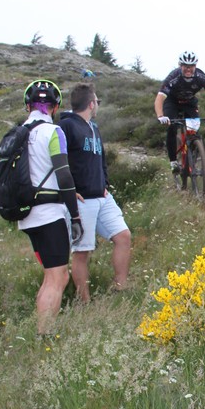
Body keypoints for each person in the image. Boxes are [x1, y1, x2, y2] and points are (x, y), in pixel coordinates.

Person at [17, 80, 84, 335]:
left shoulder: (19, 133)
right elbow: (64, 176)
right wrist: (75, 216)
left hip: (27, 215)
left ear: (28, 106)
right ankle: (44, 336)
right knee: (58, 277)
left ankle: (42, 330)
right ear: (55, 107)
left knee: (51, 275)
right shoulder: (53, 132)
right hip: (49, 214)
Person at [58, 83, 131, 301]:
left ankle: (120, 288)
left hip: (102, 196)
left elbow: (101, 159)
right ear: (91, 104)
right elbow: (57, 161)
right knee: (82, 252)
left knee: (123, 236)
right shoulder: (66, 126)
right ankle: (84, 302)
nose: (97, 105)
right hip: (81, 200)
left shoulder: (94, 127)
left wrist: (105, 183)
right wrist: (68, 192)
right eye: (96, 101)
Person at [154, 51, 205, 171]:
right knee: (172, 127)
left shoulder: (200, 76)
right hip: (172, 102)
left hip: (189, 102)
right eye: (185, 66)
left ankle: (192, 156)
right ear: (180, 65)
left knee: (194, 130)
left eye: (191, 66)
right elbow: (160, 98)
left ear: (195, 66)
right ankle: (173, 161)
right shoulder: (173, 76)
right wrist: (161, 116)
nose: (188, 69)